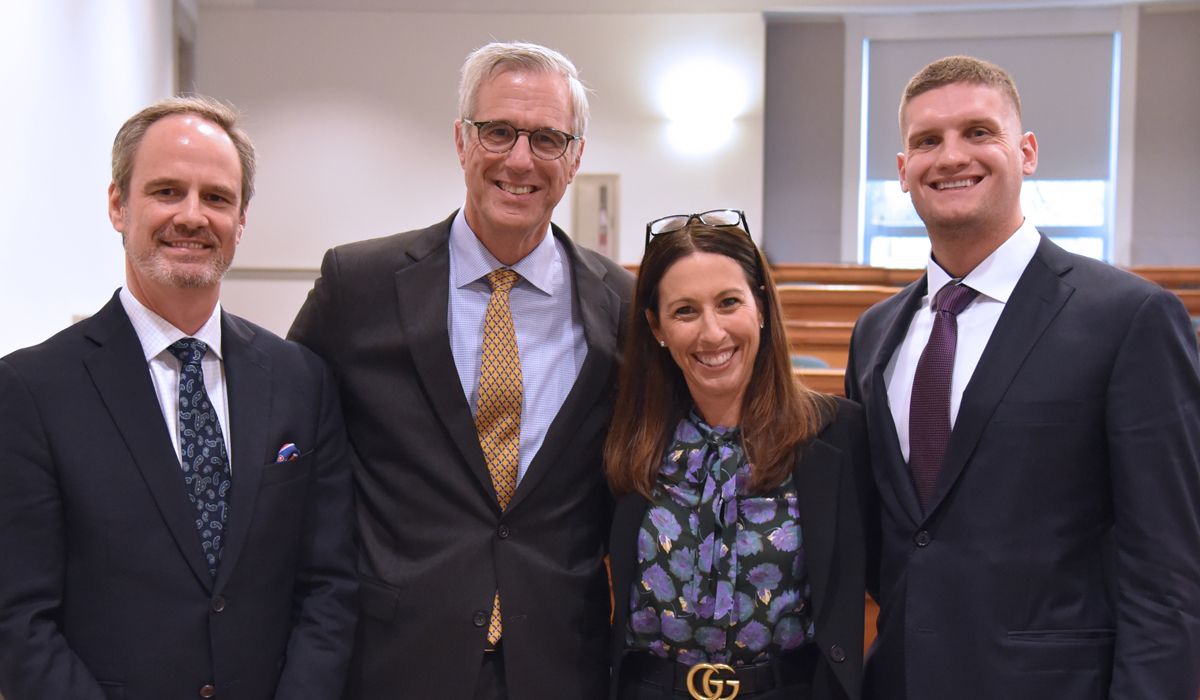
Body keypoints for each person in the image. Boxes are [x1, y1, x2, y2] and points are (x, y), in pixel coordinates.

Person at [845, 55, 1200, 700]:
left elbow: (1169, 569)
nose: (951, 155)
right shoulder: (876, 333)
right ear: (902, 171)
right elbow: (889, 539)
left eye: (978, 132)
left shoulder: (1130, 318)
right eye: (927, 140)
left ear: (1027, 152)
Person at [288, 42, 633, 700]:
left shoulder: (619, 304)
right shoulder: (358, 286)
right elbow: (284, 445)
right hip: (396, 660)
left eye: (548, 138)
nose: (520, 159)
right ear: (462, 140)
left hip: (560, 663)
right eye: (499, 131)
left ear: (576, 156)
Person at [0, 96, 358, 700]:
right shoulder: (32, 391)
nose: (192, 216)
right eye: (166, 191)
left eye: (217, 198)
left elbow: (329, 587)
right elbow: (18, 619)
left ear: (241, 221)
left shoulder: (301, 380)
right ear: (118, 205)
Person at [605, 211, 873, 700]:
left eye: (729, 303)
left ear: (762, 307)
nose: (712, 334)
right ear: (656, 326)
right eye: (685, 311)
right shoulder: (627, 435)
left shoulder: (838, 434)